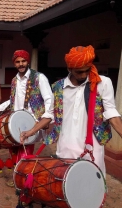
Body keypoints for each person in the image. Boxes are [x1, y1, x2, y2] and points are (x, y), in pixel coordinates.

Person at [21, 45, 122, 176]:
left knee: (92, 184)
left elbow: (111, 113)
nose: (84, 75)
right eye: (79, 72)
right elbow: (50, 114)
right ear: (70, 69)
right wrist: (31, 131)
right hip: (65, 146)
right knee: (66, 185)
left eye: (87, 70)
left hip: (92, 147)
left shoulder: (102, 83)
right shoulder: (58, 87)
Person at [0, 50, 53, 186]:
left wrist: (46, 118)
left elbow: (49, 99)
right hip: (15, 121)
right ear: (14, 63)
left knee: (25, 153)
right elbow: (12, 100)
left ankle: (23, 182)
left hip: (31, 122)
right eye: (18, 62)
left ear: (27, 61)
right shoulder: (14, 80)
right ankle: (18, 177)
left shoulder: (39, 77)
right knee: (14, 150)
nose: (21, 64)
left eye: (23, 61)